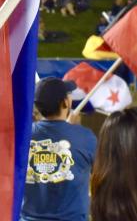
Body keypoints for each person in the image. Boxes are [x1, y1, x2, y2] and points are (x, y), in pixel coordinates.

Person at [21, 77, 97, 221]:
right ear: (65, 103)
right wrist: (72, 131)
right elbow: (101, 175)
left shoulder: (22, 137)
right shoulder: (85, 137)